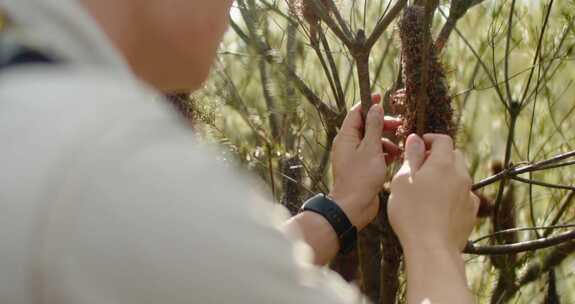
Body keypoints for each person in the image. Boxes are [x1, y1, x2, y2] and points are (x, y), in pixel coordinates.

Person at [0, 0, 479, 303]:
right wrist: (434, 245)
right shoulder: (105, 165)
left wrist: (341, 207)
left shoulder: (34, 112)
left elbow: (185, 272)